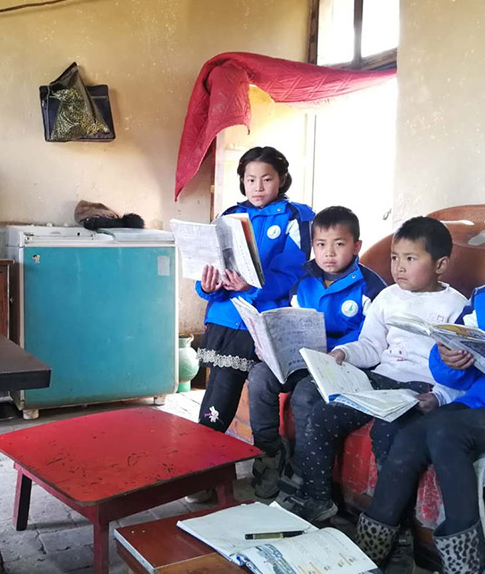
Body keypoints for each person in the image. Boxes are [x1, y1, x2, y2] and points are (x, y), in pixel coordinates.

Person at [354, 196, 485, 574]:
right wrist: (448, 359)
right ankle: (371, 551)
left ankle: (466, 559)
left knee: (444, 430)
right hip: (480, 400)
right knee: (408, 437)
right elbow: (453, 369)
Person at [285, 216, 468, 525]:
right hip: (378, 379)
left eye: (410, 259)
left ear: (440, 265)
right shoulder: (388, 296)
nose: (399, 267)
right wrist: (344, 353)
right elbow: (371, 345)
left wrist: (439, 396)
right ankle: (318, 498)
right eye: (395, 258)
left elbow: (462, 368)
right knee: (322, 416)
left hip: (418, 387)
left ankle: (393, 526)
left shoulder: (456, 307)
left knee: (389, 433)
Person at [248, 206, 387, 499]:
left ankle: (301, 468)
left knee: (304, 395)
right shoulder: (304, 279)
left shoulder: (371, 287)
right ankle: (270, 452)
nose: (329, 254)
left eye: (340, 244)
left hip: (340, 363)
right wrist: (270, 344)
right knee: (260, 375)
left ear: (356, 246)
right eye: (321, 245)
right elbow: (290, 318)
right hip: (302, 357)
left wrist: (336, 351)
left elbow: (372, 339)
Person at [195, 147, 314, 435]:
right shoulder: (229, 216)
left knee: (224, 387)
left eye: (267, 179)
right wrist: (206, 287)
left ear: (282, 179)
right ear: (242, 181)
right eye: (250, 179)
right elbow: (211, 264)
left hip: (260, 317)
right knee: (218, 387)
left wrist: (253, 285)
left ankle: (209, 445)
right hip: (224, 314)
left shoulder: (296, 216)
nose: (258, 187)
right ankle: (207, 444)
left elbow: (294, 270)